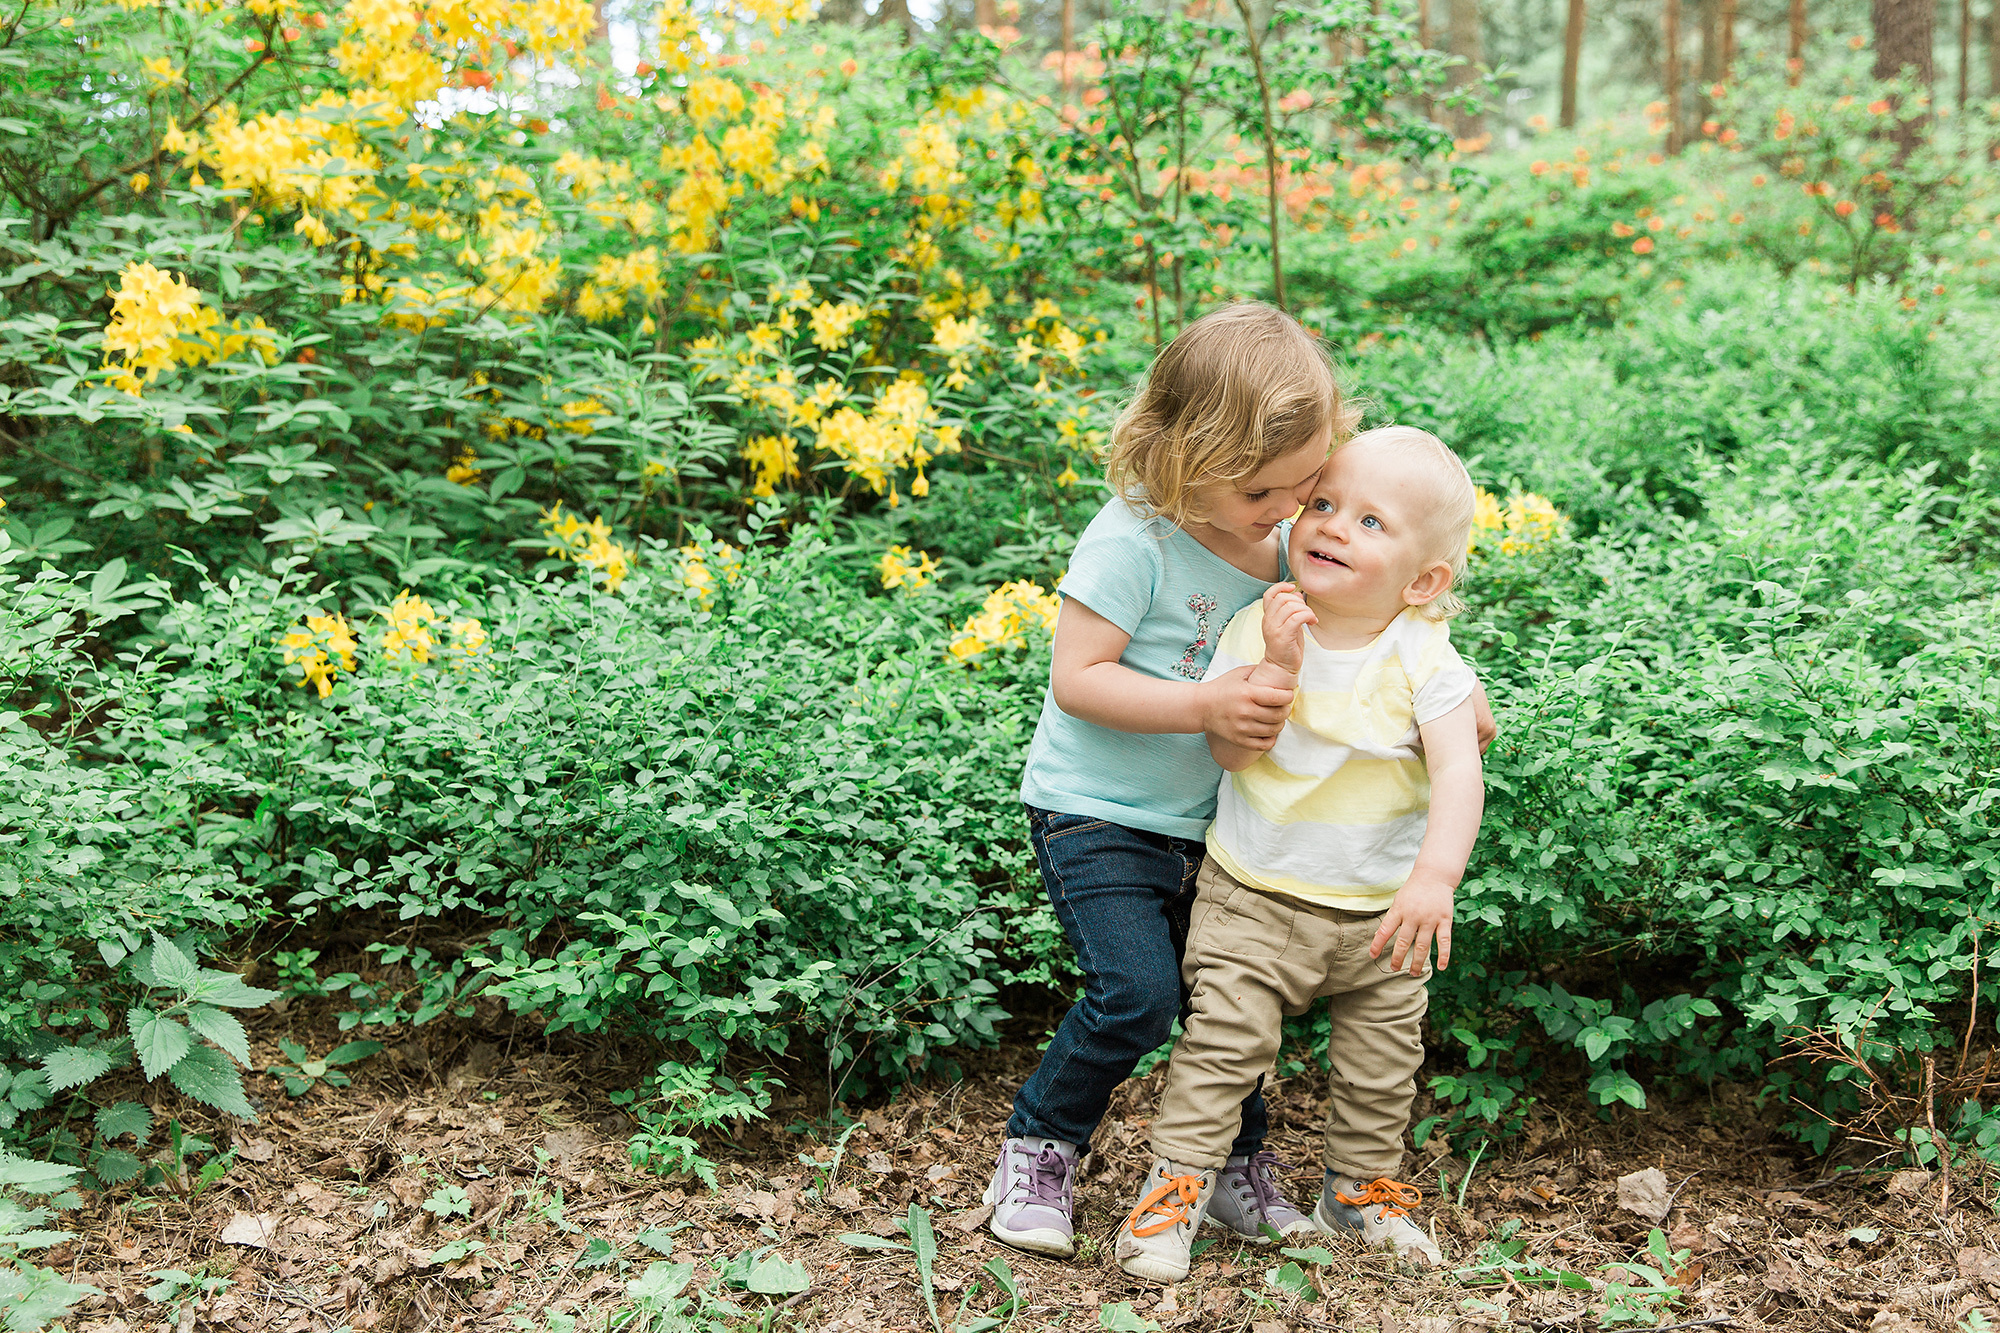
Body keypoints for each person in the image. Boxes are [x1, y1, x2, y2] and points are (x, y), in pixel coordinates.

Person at [982, 301, 1354, 1258]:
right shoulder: (1132, 539)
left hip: (1217, 824)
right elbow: (1078, 678)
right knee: (1137, 994)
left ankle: (1230, 1166)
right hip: (1098, 812)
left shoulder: (1281, 543)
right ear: (1183, 454)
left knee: (1235, 999)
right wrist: (1204, 705)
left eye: (1304, 485)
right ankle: (1039, 1147)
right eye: (1263, 492)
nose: (1285, 512)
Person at [1111, 426, 1486, 1283]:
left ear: (1424, 580)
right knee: (1221, 1050)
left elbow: (1463, 769)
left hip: (1383, 911)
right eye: (1323, 505)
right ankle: (1174, 1194)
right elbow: (1234, 754)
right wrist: (1278, 663)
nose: (1332, 526)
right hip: (1255, 899)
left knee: (1382, 1067)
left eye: (1370, 521)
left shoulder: (1426, 653)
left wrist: (1436, 878)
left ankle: (1359, 1192)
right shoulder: (1260, 624)